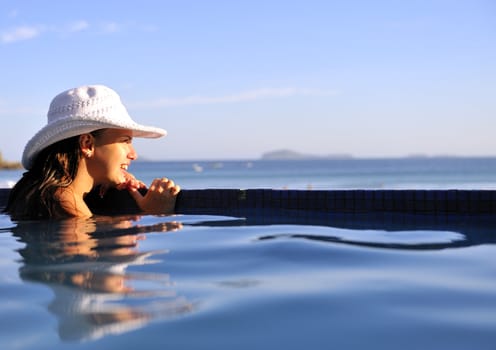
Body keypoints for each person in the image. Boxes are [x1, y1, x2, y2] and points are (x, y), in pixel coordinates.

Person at [5, 84, 180, 220]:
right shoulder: (63, 201)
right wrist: (155, 214)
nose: (133, 154)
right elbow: (86, 255)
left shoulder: (47, 191)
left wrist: (103, 180)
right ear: (87, 144)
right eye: (125, 141)